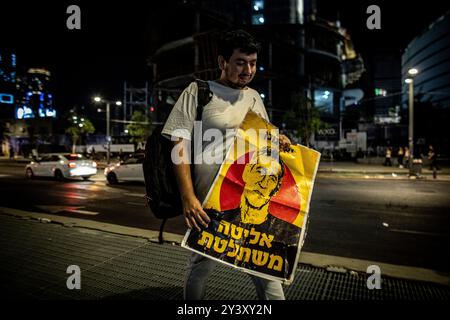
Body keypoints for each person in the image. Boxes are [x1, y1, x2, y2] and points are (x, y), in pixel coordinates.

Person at [162, 29, 291, 300]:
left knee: (266, 271)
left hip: (251, 203)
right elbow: (179, 146)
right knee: (199, 268)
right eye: (241, 62)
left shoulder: (255, 96)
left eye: (253, 63)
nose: (248, 70)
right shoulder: (199, 92)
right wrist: (188, 198)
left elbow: (264, 141)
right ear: (223, 62)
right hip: (209, 204)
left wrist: (278, 140)